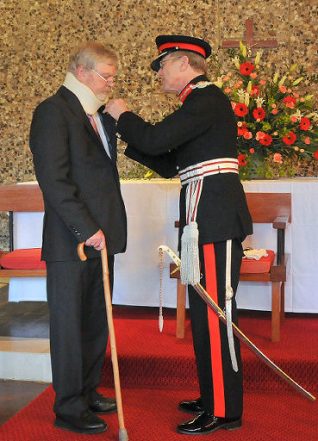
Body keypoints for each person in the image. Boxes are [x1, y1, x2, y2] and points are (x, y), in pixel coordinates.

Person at [106, 35, 253, 435]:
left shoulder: (206, 98)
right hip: (206, 220)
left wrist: (123, 116)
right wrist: (127, 133)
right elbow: (170, 163)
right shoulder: (199, 104)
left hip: (215, 220)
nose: (159, 73)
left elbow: (154, 139)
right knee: (205, 318)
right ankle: (213, 396)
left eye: (163, 66)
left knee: (215, 316)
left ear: (184, 63)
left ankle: (223, 409)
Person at [29, 42, 127, 435]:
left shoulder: (97, 117)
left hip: (101, 238)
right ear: (81, 72)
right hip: (73, 240)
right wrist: (87, 229)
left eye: (112, 76)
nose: (110, 84)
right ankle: (68, 405)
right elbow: (54, 180)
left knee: (94, 320)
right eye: (106, 76)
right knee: (70, 326)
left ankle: (87, 391)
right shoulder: (53, 112)